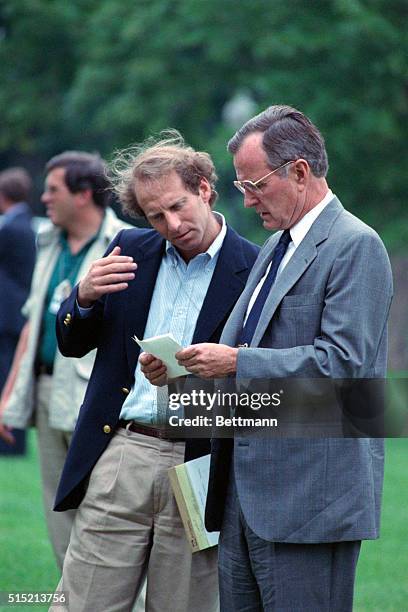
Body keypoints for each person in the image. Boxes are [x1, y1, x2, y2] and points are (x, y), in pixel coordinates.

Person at [172, 105, 393, 611]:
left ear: (299, 171)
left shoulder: (356, 245)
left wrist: (235, 362)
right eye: (241, 186)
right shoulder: (275, 245)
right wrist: (182, 369)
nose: (247, 201)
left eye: (255, 186)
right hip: (240, 498)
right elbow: (244, 349)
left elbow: (343, 367)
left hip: (312, 501)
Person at [51, 132, 259, 612]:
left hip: (202, 461)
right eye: (155, 216)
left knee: (183, 605)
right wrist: (83, 298)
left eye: (178, 206)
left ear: (205, 188)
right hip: (122, 451)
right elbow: (71, 342)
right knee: (83, 604)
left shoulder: (255, 266)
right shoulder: (130, 248)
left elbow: (265, 380)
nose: (171, 224)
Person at [0, 152, 131, 570]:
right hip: (43, 390)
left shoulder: (127, 243)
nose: (44, 198)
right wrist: (8, 397)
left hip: (93, 401)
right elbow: (30, 325)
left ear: (83, 194)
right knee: (59, 518)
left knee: (105, 525)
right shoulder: (48, 242)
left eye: (53, 190)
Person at [0, 168, 36, 455]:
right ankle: (15, 442)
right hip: (17, 312)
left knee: (7, 376)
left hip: (8, 314)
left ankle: (9, 442)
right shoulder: (25, 224)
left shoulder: (11, 227)